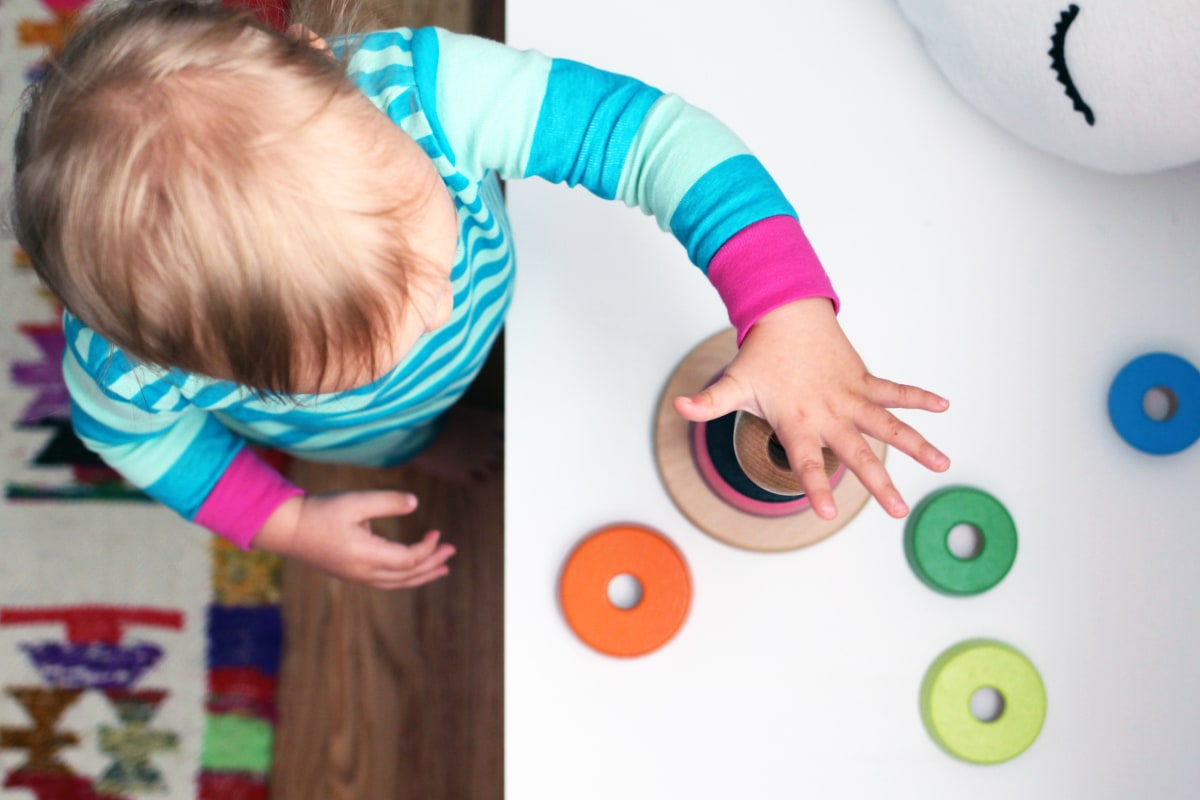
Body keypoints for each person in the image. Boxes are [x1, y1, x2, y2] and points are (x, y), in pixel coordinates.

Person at [11, 0, 950, 590]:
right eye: (345, 363)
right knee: (408, 432)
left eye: (424, 244)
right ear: (176, 357)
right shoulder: (124, 368)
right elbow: (148, 445)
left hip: (520, 327)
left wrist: (786, 311)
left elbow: (661, 141)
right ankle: (420, 433)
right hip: (375, 436)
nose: (430, 313)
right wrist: (288, 521)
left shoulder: (426, 90)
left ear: (324, 70)